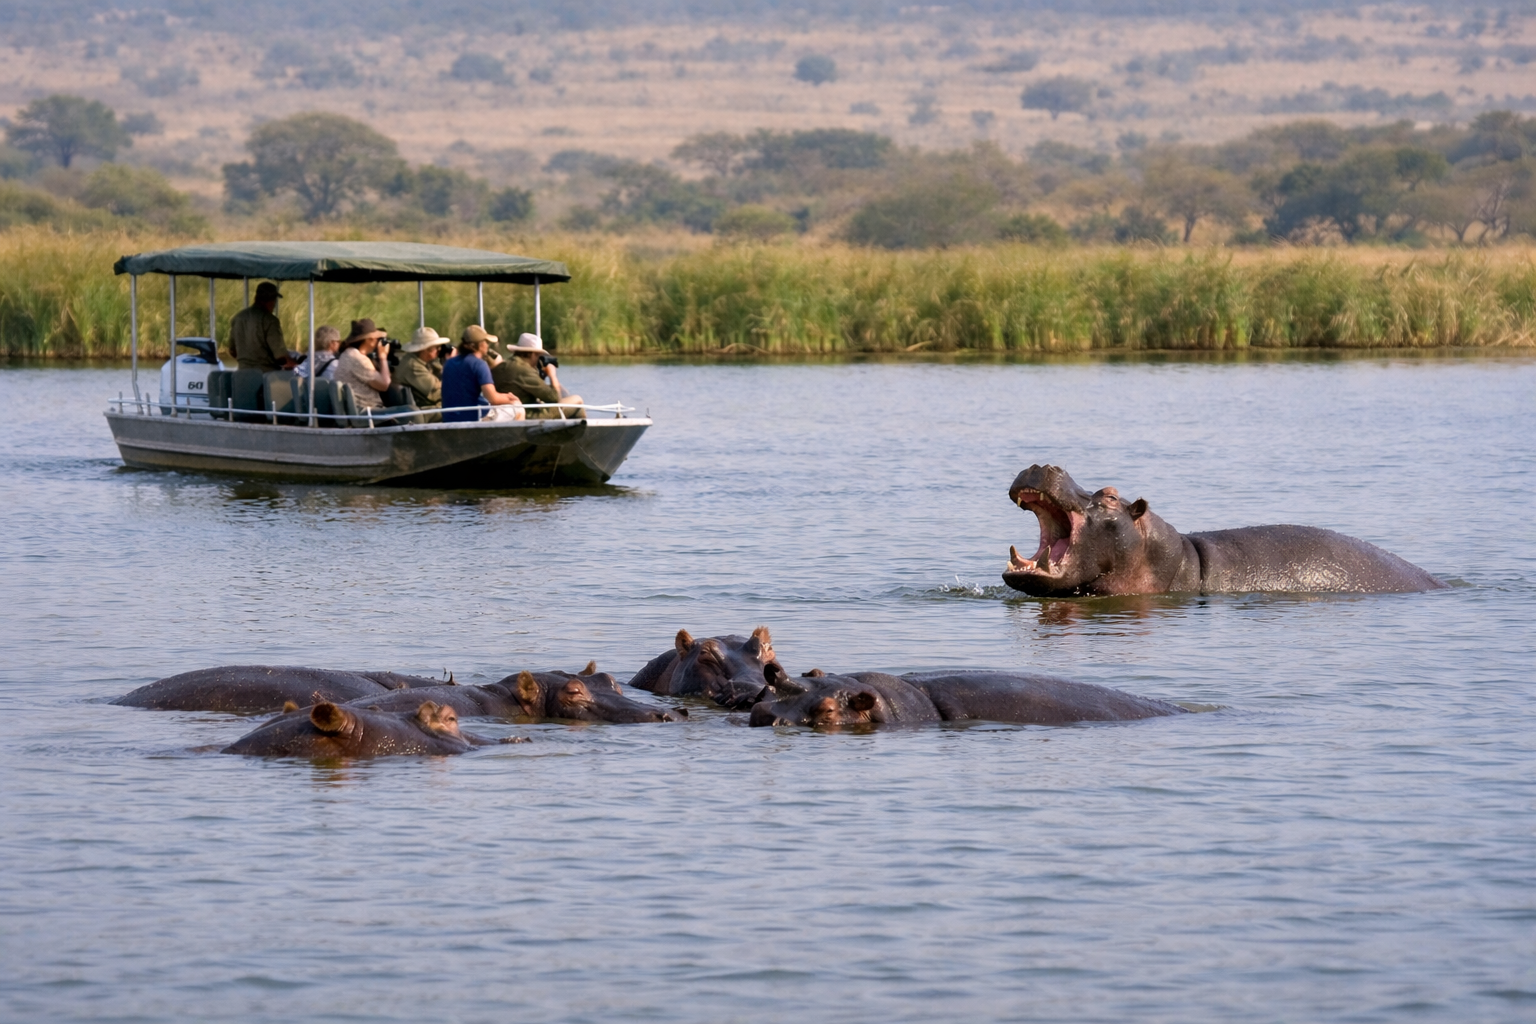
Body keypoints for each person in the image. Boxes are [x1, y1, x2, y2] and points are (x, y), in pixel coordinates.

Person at [440, 325, 522, 423]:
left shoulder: (449, 363)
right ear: (480, 345)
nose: (488, 345)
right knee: (518, 408)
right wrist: (510, 399)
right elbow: (493, 398)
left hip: (449, 418)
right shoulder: (479, 364)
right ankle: (517, 438)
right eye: (486, 342)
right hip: (472, 418)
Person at [492, 332, 584, 418]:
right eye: (538, 355)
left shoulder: (503, 365)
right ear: (532, 354)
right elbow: (555, 399)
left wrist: (541, 377)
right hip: (528, 416)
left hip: (506, 414)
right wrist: (552, 375)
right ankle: (584, 434)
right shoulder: (525, 370)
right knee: (577, 400)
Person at [228, 281, 295, 372]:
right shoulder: (270, 320)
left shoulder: (238, 318)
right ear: (271, 301)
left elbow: (232, 351)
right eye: (274, 300)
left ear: (256, 297)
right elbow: (281, 358)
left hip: (242, 376)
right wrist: (298, 365)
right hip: (266, 377)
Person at [330, 318, 391, 411]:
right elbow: (384, 385)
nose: (378, 342)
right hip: (366, 411)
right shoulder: (358, 359)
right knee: (411, 411)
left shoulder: (347, 354)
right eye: (377, 339)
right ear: (369, 340)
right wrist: (383, 357)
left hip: (355, 409)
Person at [394, 327, 444, 409]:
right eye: (436, 347)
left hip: (425, 404)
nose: (439, 350)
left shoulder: (419, 360)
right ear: (424, 350)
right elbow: (434, 387)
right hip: (424, 408)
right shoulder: (413, 366)